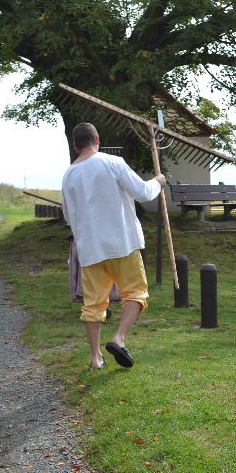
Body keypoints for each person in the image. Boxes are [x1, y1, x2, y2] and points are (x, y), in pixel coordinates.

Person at [61, 122, 166, 370]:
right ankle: (119, 338)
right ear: (98, 140)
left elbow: (67, 216)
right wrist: (158, 182)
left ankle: (96, 358)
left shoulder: (68, 175)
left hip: (89, 249)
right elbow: (141, 192)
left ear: (75, 145)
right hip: (122, 243)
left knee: (94, 304)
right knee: (135, 292)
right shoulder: (112, 162)